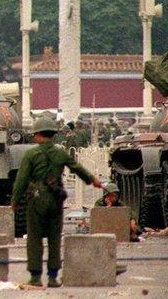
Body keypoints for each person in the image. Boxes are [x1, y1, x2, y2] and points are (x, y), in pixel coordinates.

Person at [11, 117, 102, 288]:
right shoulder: (60, 153)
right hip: (55, 198)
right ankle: (53, 277)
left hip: (36, 199)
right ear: (53, 134)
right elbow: (77, 168)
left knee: (35, 238)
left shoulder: (31, 154)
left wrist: (15, 201)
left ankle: (36, 277)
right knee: (54, 238)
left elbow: (21, 180)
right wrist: (93, 180)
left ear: (37, 135)